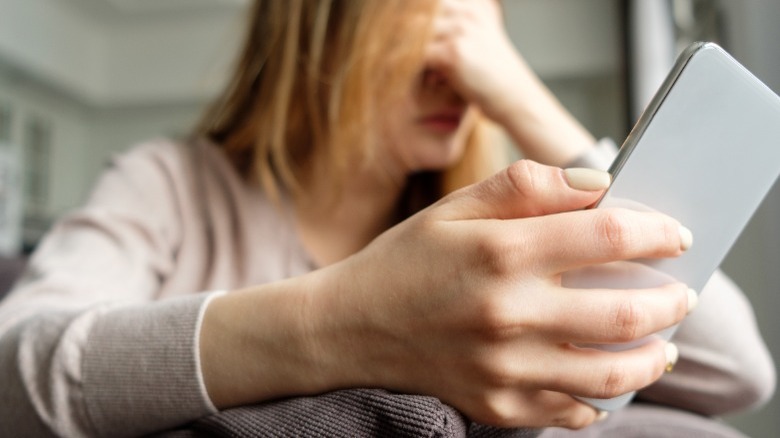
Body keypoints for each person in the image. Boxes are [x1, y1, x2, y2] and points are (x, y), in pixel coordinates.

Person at [0, 0, 774, 436]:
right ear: (323, 33)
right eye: (434, 27)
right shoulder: (170, 184)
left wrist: (526, 104)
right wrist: (338, 323)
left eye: (483, 41)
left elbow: (737, 371)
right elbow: (14, 370)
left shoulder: (492, 228)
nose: (460, 75)